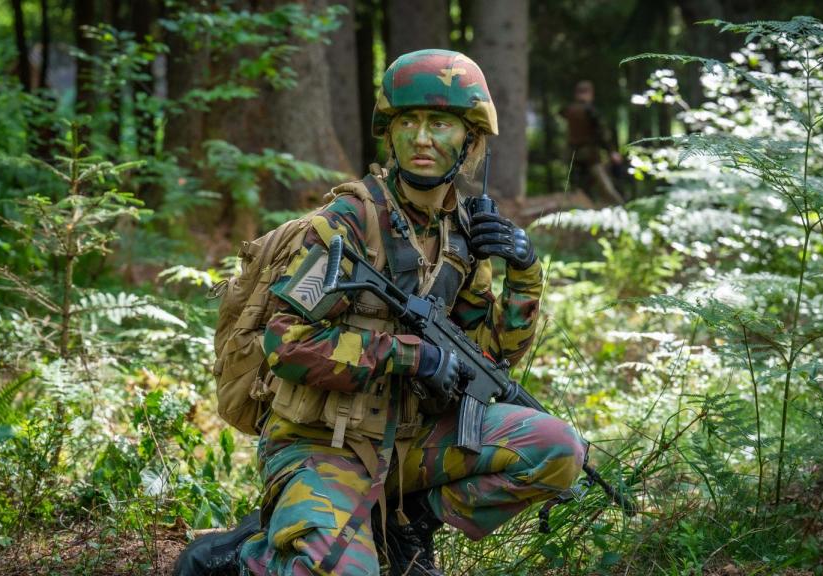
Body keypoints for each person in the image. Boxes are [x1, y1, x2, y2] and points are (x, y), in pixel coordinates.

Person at [179, 49, 587, 576]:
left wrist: (525, 271)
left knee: (556, 448)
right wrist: (408, 355)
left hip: (411, 441)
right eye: (407, 123)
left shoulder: (460, 236)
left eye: (440, 123)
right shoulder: (339, 228)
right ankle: (244, 558)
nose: (421, 139)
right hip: (323, 444)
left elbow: (488, 358)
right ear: (388, 134)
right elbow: (287, 345)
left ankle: (405, 526)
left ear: (469, 139)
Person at [562, 80, 625, 205]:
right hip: (590, 155)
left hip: (573, 154)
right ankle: (621, 210)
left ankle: (585, 211)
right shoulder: (590, 111)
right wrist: (611, 152)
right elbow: (602, 133)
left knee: (579, 188)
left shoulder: (569, 110)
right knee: (604, 186)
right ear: (589, 93)